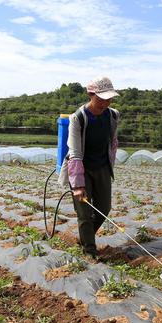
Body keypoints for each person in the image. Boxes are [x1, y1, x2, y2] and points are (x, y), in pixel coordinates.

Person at [58, 76, 120, 258]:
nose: (105, 103)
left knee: (104, 208)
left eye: (108, 99)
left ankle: (85, 238)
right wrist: (77, 185)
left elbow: (113, 142)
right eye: (101, 99)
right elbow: (75, 152)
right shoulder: (78, 118)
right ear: (90, 94)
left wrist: (110, 166)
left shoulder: (113, 115)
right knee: (84, 213)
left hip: (102, 167)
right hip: (80, 168)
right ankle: (89, 251)